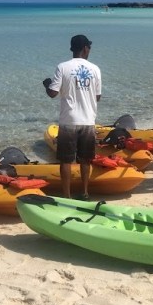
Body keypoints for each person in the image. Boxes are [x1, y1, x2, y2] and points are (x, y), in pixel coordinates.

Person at [43, 34, 102, 200]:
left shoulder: (62, 67)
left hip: (68, 120)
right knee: (85, 160)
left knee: (66, 161)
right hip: (88, 121)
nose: (89, 50)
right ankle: (85, 193)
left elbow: (53, 93)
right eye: (89, 47)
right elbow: (97, 96)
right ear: (85, 48)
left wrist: (47, 84)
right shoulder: (95, 69)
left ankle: (67, 196)